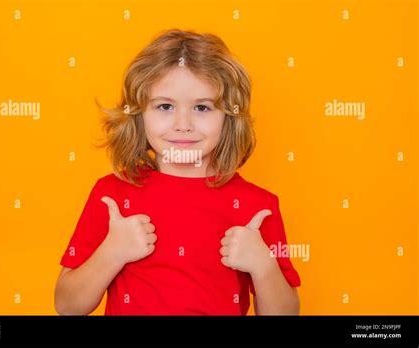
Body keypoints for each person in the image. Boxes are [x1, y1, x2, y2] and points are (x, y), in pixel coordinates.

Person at [54, 29, 300, 315]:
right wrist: (112, 253)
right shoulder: (111, 196)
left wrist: (263, 265)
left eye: (202, 108)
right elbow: (67, 305)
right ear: (139, 113)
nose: (183, 124)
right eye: (165, 106)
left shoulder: (258, 207)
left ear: (229, 118)